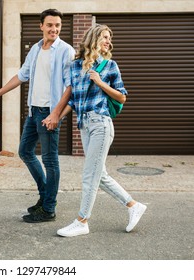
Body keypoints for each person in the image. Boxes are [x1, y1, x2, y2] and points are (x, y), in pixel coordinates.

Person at [43, 24, 147, 236]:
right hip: (84, 124)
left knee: (90, 175)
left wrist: (100, 82)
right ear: (93, 38)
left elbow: (122, 96)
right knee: (100, 175)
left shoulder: (110, 65)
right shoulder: (75, 66)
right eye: (105, 37)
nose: (108, 41)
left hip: (101, 123)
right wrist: (56, 118)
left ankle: (82, 221)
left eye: (110, 38)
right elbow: (73, 100)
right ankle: (133, 205)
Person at [0, 9, 75, 223]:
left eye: (58, 25)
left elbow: (70, 86)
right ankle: (45, 197)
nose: (54, 29)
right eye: (50, 25)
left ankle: (49, 208)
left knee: (50, 160)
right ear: (41, 26)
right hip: (34, 111)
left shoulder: (66, 51)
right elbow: (21, 76)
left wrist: (55, 114)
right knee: (25, 151)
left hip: (49, 113)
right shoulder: (35, 49)